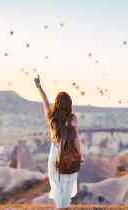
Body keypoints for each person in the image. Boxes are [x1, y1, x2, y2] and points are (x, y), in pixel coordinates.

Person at [34, 74, 84, 210]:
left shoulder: (52, 118)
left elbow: (45, 103)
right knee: (66, 187)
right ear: (69, 104)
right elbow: (76, 139)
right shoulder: (73, 118)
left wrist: (39, 87)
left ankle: (58, 207)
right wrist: (80, 155)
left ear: (57, 103)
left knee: (56, 186)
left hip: (55, 153)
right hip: (69, 154)